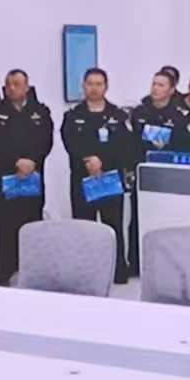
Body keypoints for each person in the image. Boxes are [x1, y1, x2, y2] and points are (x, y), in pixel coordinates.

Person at [62, 68, 140, 285]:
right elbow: (70, 143)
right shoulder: (73, 116)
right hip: (82, 180)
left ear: (106, 87)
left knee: (113, 227)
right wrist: (88, 159)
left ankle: (118, 271)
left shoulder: (118, 116)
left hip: (110, 179)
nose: (94, 88)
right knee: (84, 228)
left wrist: (102, 161)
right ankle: (85, 272)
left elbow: (126, 146)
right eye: (90, 84)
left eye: (98, 84)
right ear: (83, 86)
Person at [0, 69, 53, 286]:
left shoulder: (40, 111)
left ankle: (33, 273)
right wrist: (17, 161)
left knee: (32, 224)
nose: (12, 88)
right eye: (8, 84)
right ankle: (4, 273)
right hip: (6, 178)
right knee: (5, 225)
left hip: (33, 176)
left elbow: (46, 140)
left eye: (17, 84)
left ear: (27, 87)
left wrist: (32, 160)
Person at [130, 71, 190, 272]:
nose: (155, 88)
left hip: (168, 176)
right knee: (138, 218)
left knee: (167, 220)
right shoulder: (139, 113)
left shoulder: (179, 116)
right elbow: (130, 143)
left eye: (161, 85)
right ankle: (136, 263)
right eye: (154, 84)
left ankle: (169, 264)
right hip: (143, 173)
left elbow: (187, 145)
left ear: (172, 90)